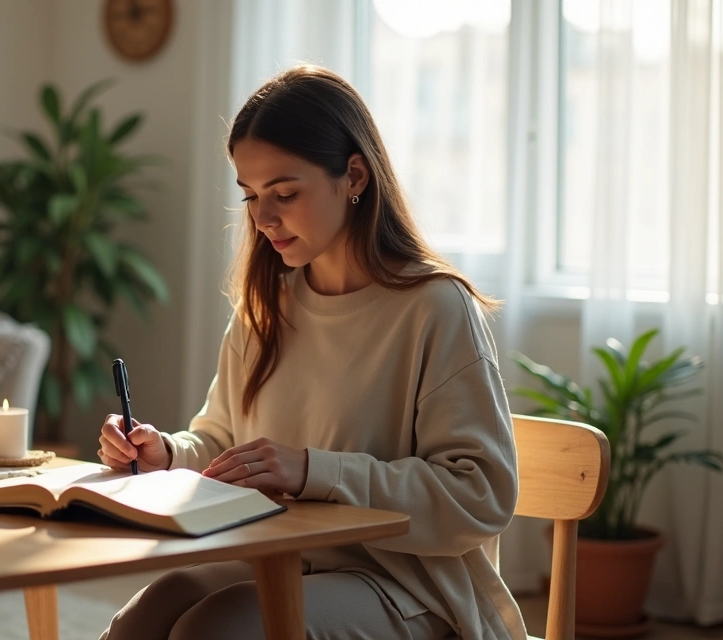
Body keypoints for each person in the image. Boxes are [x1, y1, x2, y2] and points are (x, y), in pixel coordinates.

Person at [96, 64, 526, 640]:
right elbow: (223, 442)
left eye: (285, 193)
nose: (262, 218)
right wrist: (167, 453)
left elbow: (481, 494)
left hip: (410, 586)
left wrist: (312, 470)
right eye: (251, 195)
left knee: (216, 629)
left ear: (354, 176)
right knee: (144, 617)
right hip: (284, 558)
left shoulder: (434, 307)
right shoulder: (266, 306)